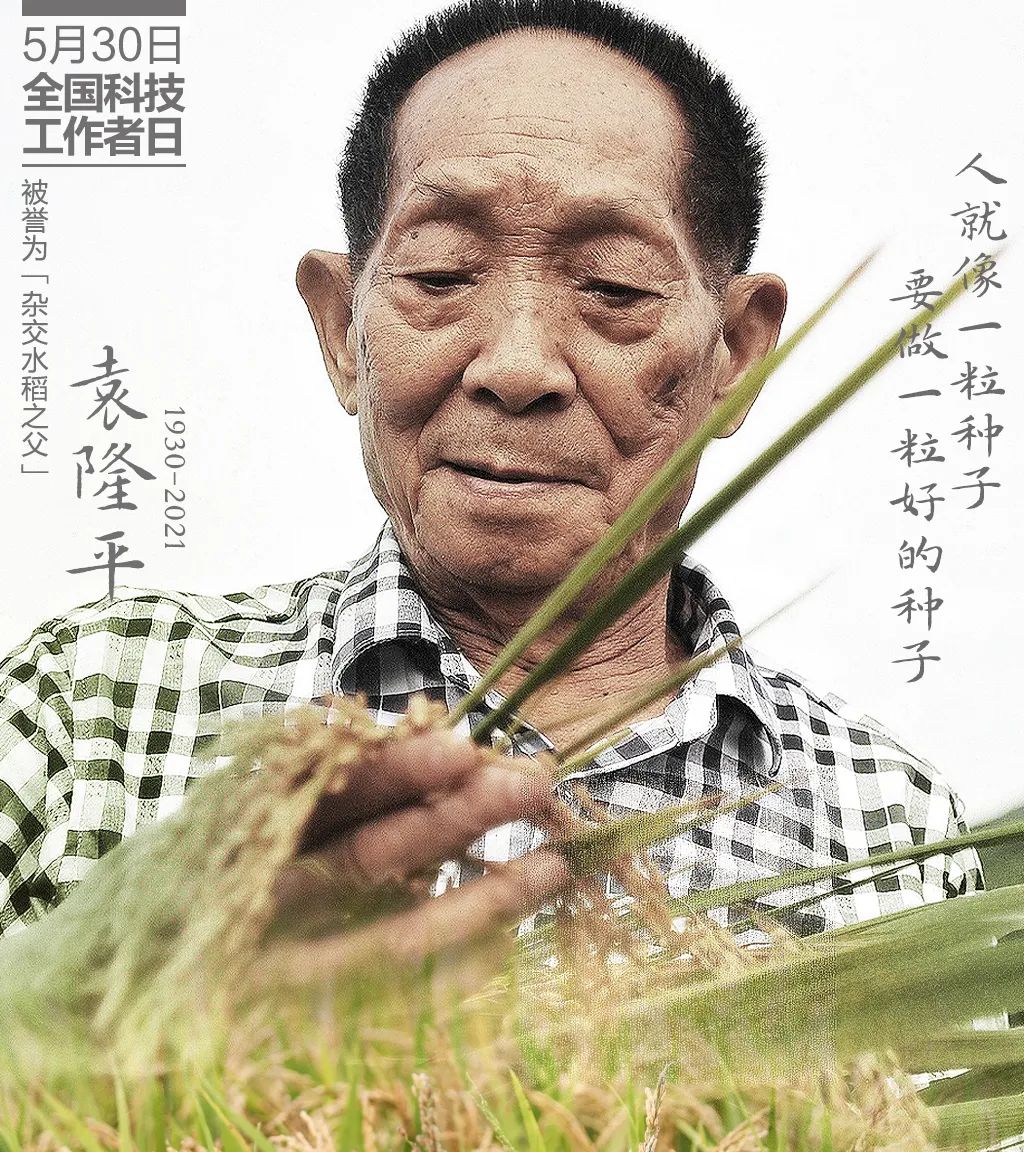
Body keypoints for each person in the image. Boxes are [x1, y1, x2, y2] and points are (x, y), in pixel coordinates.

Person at [0, 0, 982, 975]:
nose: (516, 365)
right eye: (440, 274)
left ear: (736, 354)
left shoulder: (892, 834)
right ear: (341, 330)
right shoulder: (91, 715)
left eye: (613, 287)